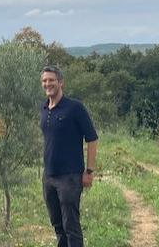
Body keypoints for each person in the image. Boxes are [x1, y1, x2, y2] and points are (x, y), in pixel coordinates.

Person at [39, 65, 98, 247]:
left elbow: (92, 139)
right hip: (49, 177)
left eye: (51, 80)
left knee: (71, 226)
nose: (47, 84)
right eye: (44, 81)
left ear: (60, 82)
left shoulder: (75, 108)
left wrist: (88, 171)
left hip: (70, 177)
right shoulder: (43, 108)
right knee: (57, 225)